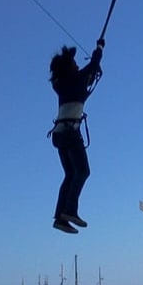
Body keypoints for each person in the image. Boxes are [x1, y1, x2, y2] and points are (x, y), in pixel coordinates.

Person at [48, 39, 104, 233]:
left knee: (70, 174)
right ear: (68, 67)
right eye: (74, 63)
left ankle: (60, 217)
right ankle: (70, 210)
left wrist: (98, 54)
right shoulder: (73, 81)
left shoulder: (62, 84)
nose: (77, 65)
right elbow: (92, 68)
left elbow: (89, 73)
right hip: (70, 133)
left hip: (60, 134)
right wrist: (99, 50)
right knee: (82, 171)